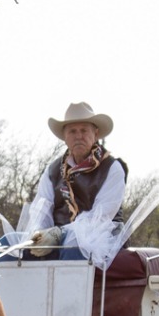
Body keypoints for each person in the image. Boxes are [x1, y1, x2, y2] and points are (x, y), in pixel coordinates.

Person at [18, 101, 128, 266]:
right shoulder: (52, 170)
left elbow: (100, 218)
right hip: (58, 237)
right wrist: (38, 235)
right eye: (72, 131)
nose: (78, 136)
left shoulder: (112, 168)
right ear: (65, 137)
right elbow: (41, 209)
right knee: (10, 245)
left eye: (84, 130)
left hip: (102, 238)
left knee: (73, 246)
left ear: (96, 134)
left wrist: (60, 233)